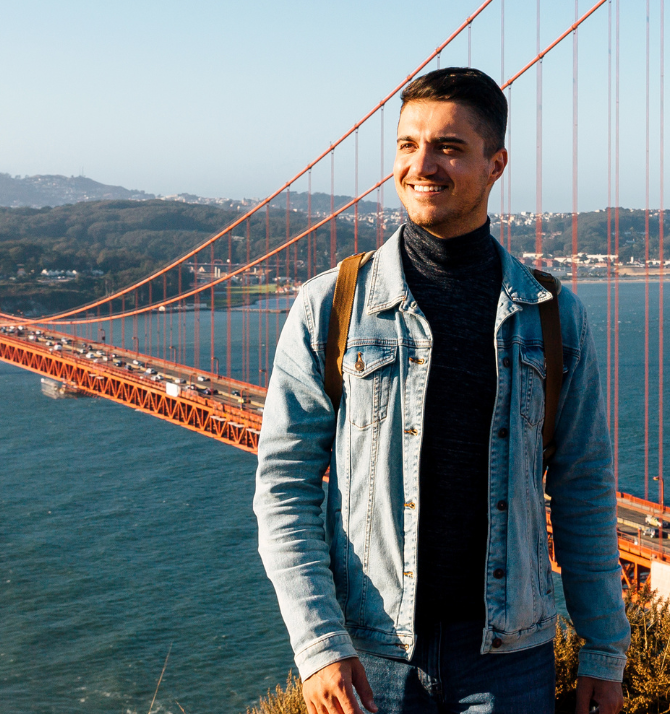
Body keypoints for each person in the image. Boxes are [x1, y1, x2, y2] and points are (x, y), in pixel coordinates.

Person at [253, 67, 629, 714]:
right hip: (371, 656)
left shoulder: (553, 316)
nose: (420, 165)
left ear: (495, 164)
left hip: (509, 661)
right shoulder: (331, 306)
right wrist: (319, 643)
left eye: (449, 147)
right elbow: (283, 485)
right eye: (407, 144)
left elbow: (583, 486)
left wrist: (604, 646)